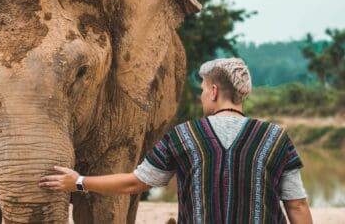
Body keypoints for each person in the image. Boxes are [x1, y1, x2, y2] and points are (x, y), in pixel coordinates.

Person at [39, 58, 313, 223]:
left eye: (204, 89)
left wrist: (78, 181)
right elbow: (297, 205)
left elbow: (136, 182)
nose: (201, 95)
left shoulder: (183, 136)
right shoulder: (277, 138)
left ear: (215, 91)